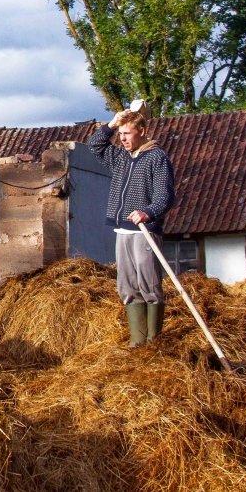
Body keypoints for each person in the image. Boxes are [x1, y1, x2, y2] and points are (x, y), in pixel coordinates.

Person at [88, 107, 175, 347]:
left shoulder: (157, 158)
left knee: (149, 285)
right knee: (127, 286)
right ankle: (138, 342)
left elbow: (165, 196)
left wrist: (148, 212)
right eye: (120, 134)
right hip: (122, 229)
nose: (123, 138)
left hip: (144, 231)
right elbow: (94, 144)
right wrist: (112, 124)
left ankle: (153, 340)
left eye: (127, 133)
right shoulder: (120, 157)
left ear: (142, 131)